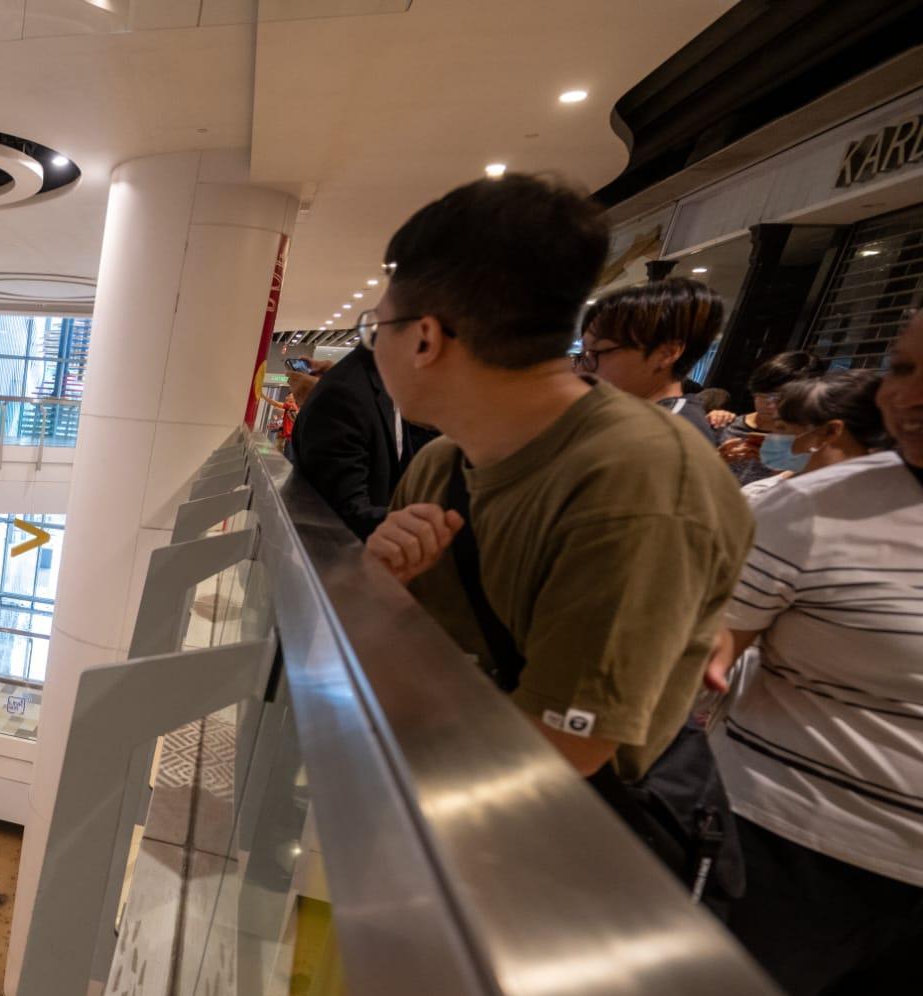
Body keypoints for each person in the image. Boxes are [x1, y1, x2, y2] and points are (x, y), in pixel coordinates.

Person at [361, 173, 753, 878]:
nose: (376, 346)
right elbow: (399, 641)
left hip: (560, 855)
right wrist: (382, 587)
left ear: (423, 338)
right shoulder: (444, 463)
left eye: (377, 327)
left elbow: (565, 749)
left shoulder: (639, 482)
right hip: (451, 807)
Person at [702, 310, 923, 996]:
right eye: (901, 369)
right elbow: (721, 640)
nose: (913, 397)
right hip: (793, 844)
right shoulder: (811, 507)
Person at [290, 343, 434, 539]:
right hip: (343, 560)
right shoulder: (344, 396)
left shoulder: (382, 385)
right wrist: (433, 526)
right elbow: (345, 516)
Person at [574, 276, 728, 441]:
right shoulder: (629, 413)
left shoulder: (671, 435)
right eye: (583, 355)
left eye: (596, 352)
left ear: (666, 354)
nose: (579, 370)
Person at [740, 368, 887, 501]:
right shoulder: (762, 494)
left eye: (781, 428)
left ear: (831, 432)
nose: (771, 437)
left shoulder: (768, 500)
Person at [713, 351, 829, 486]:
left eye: (779, 397)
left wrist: (782, 468)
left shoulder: (806, 442)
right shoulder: (724, 424)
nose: (769, 404)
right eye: (762, 395)